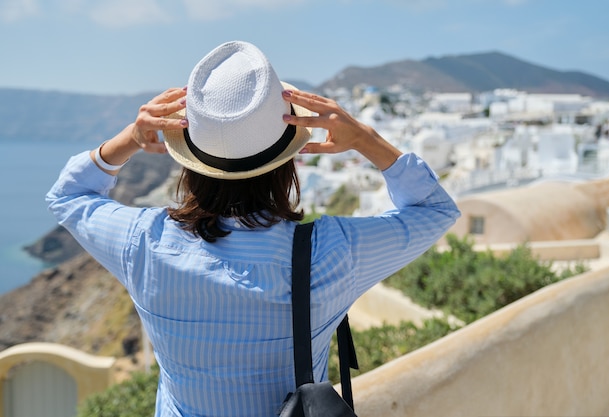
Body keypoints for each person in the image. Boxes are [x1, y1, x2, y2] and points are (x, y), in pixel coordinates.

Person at [47, 41, 460, 416]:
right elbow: (435, 210)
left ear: (192, 163)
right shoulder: (332, 251)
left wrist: (131, 138)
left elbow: (68, 195)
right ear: (286, 164)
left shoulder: (144, 241)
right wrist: (365, 139)